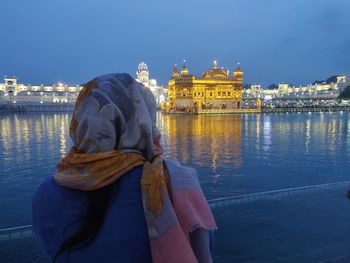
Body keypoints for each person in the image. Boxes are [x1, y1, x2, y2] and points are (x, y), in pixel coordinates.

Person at [32, 73, 217, 263]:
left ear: (81, 118)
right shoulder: (177, 182)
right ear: (144, 120)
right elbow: (203, 246)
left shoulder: (45, 195)